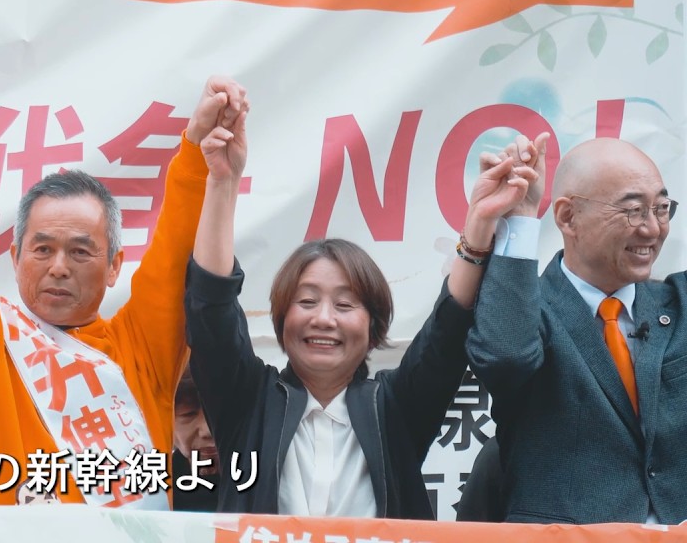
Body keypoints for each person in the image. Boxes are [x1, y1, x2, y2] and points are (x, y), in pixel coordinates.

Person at [0, 22, 247, 507]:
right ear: (15, 257)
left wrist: (198, 148)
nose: (59, 267)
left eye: (81, 252)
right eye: (42, 249)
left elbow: (173, 255)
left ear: (114, 266)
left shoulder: (141, 350)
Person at [186, 115, 545, 518]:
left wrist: (480, 221)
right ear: (282, 319)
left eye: (345, 306)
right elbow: (211, 311)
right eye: (307, 302)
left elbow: (445, 335)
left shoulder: (392, 408)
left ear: (373, 328)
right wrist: (222, 182)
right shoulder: (249, 402)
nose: (325, 319)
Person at [468, 136, 687, 524]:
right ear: (568, 217)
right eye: (634, 211)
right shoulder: (528, 311)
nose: (652, 229)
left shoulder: (678, 304)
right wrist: (521, 216)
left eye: (661, 208)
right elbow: (505, 358)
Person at [170, 366, 219, 512]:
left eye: (218, 411)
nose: (208, 430)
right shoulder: (152, 490)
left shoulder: (270, 480)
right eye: (188, 414)